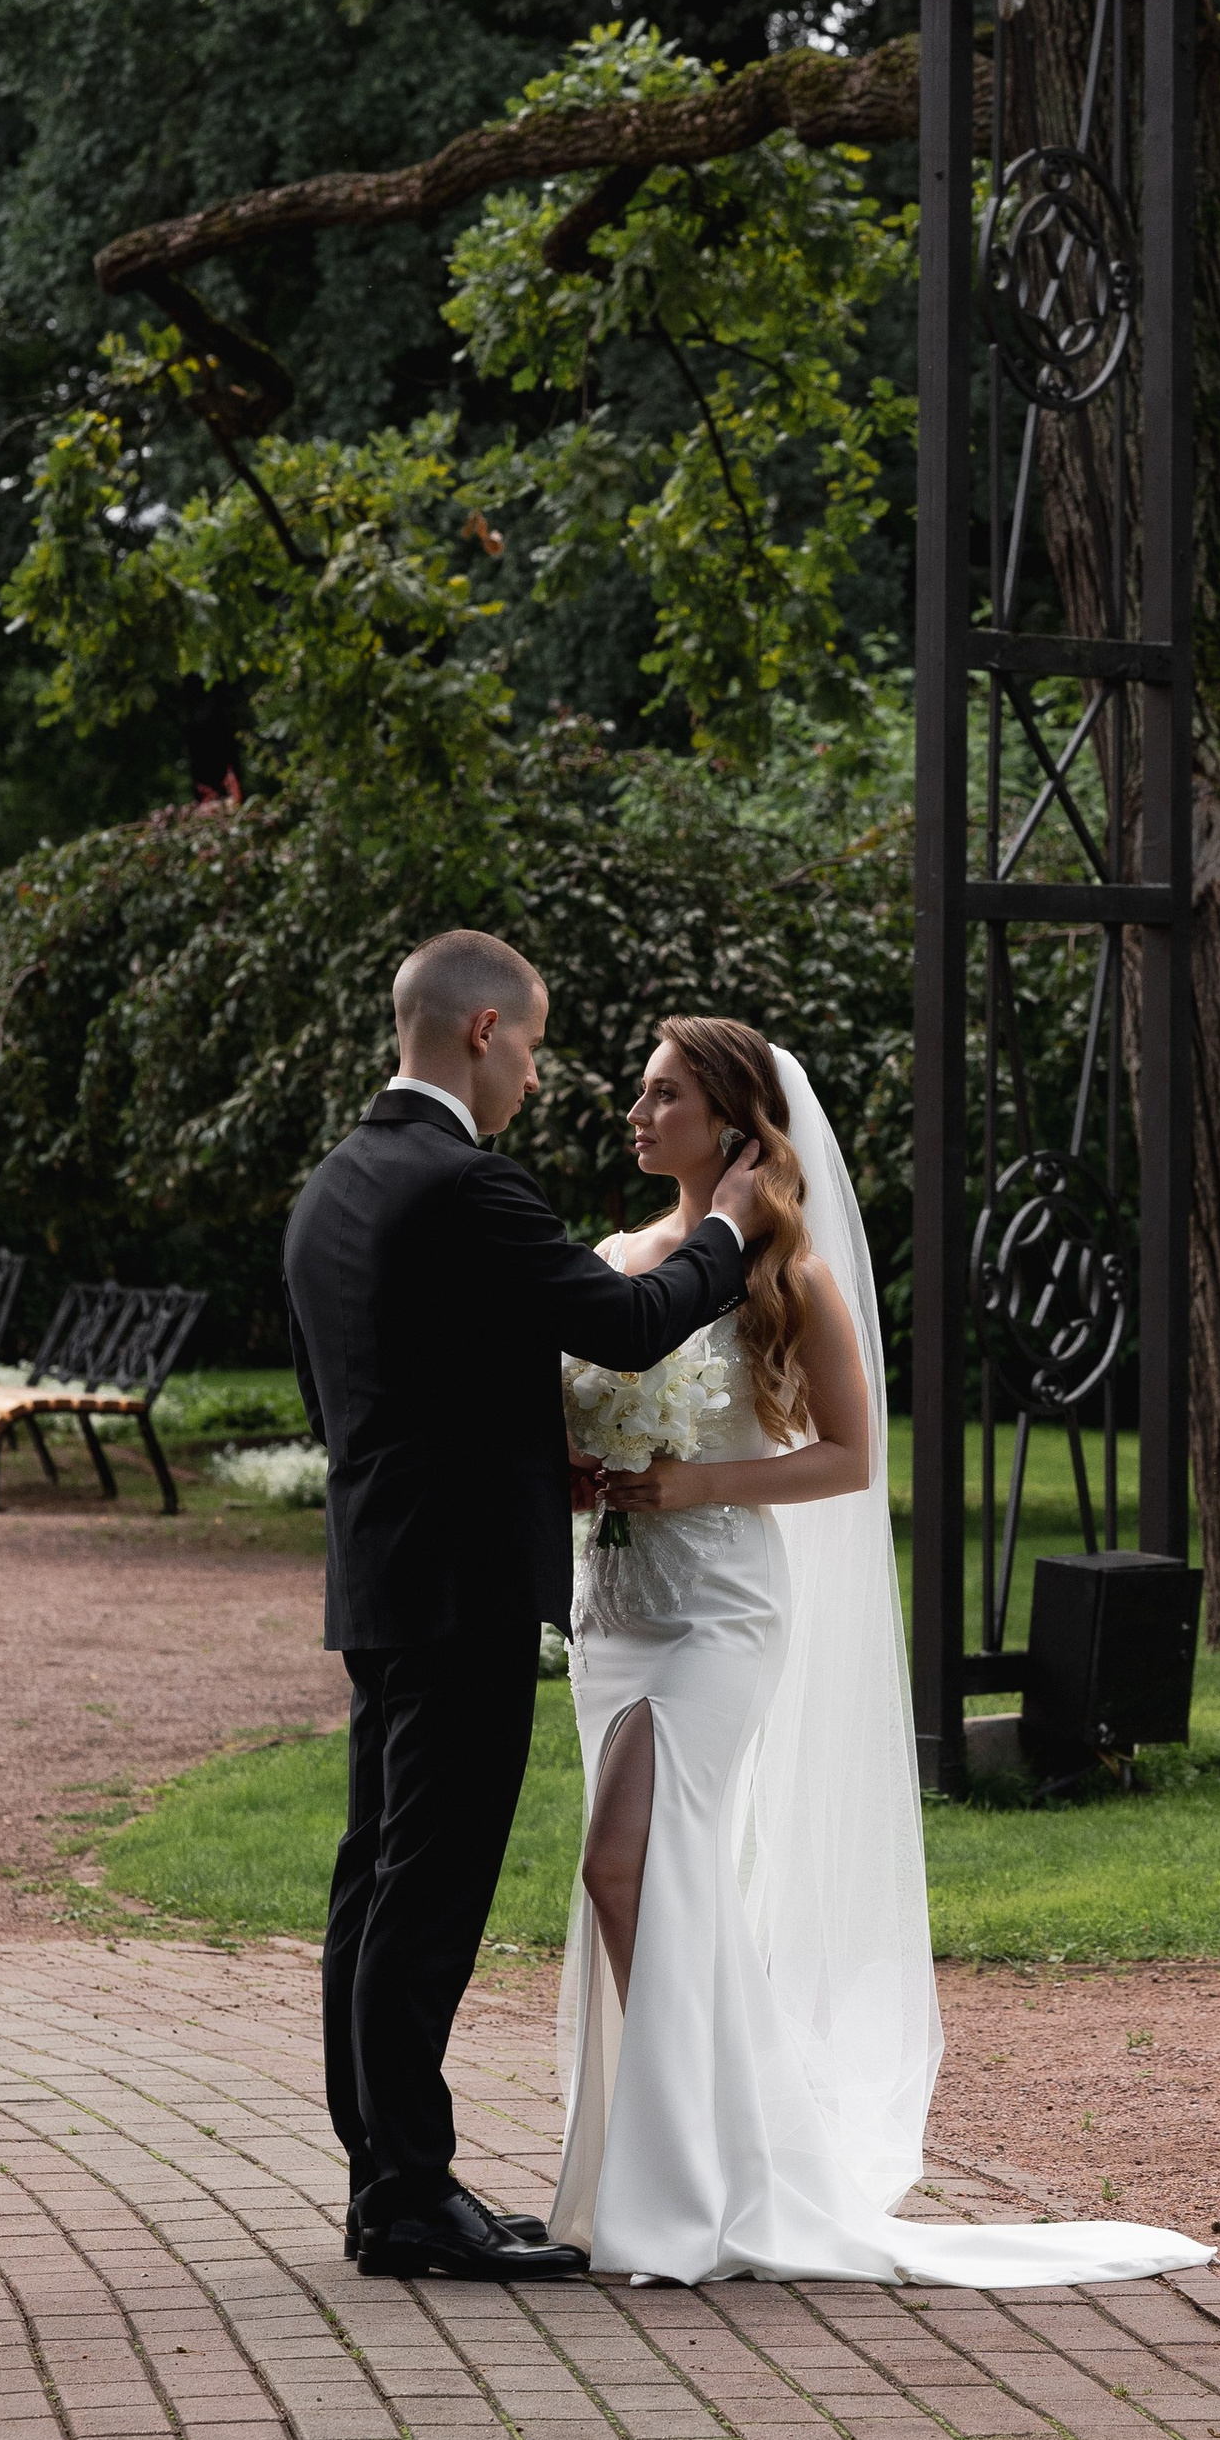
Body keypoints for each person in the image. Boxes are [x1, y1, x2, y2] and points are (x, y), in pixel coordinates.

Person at [551, 1012, 1212, 2289]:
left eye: (663, 1094)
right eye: (638, 1094)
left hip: (718, 1613)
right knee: (640, 1880)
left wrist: (697, 1486)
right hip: (614, 1613)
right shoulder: (614, 1257)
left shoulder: (782, 1274)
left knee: (623, 1863)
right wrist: (587, 1478)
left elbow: (852, 1460)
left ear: (735, 1124)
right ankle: (688, 2168)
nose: (635, 1115)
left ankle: (715, 2172)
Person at [284, 928, 769, 2285]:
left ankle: (395, 2175)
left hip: (382, 1576)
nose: (543, 1076)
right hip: (462, 1588)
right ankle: (408, 2195)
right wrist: (728, 1229)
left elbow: (353, 1398)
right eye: (540, 1042)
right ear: (485, 1030)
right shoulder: (463, 1184)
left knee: (375, 1877)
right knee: (426, 1894)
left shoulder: (336, 1184)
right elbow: (627, 1320)